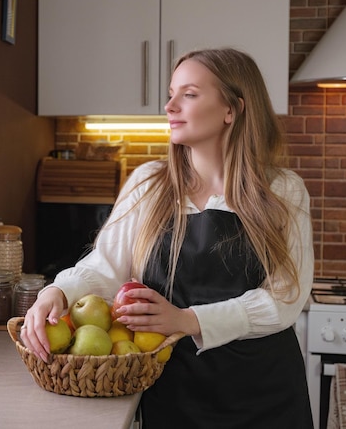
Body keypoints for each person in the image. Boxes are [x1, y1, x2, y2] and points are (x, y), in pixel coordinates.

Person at [21, 47, 314, 428]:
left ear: (233, 110)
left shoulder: (283, 190)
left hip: (265, 394)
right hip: (174, 391)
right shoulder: (150, 183)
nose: (170, 106)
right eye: (171, 93)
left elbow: (285, 298)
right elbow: (105, 266)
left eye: (189, 94)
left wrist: (186, 320)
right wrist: (57, 292)